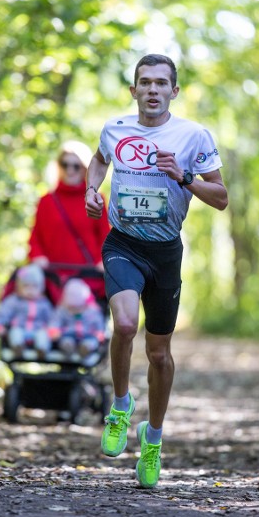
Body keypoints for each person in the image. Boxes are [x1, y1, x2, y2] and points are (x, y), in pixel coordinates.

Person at [84, 54, 228, 488]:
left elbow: (220, 197)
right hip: (123, 243)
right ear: (133, 91)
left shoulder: (193, 135)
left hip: (165, 252)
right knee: (125, 325)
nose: (152, 90)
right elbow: (98, 160)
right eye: (144, 82)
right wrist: (92, 189)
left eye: (160, 83)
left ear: (173, 91)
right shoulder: (115, 128)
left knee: (160, 354)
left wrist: (184, 178)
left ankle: (153, 440)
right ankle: (121, 407)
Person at [28, 140, 111, 297]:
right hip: (52, 279)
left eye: (76, 166)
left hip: (89, 279)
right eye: (65, 164)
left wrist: (103, 262)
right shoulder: (47, 201)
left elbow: (105, 236)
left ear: (86, 169)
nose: (70, 170)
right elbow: (35, 237)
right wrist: (38, 256)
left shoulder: (96, 199)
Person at [0, 263, 54, 360]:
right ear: (19, 287)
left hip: (38, 329)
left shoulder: (44, 303)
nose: (30, 290)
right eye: (26, 286)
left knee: (43, 335)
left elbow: (51, 318)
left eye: (34, 287)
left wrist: (53, 329)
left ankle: (42, 349)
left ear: (41, 288)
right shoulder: (13, 301)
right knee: (15, 332)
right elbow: (3, 313)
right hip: (20, 327)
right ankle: (17, 347)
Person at [49, 278, 106, 359]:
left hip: (88, 335)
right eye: (72, 308)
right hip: (68, 335)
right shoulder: (62, 311)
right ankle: (67, 348)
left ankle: (86, 348)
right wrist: (54, 330)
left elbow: (99, 325)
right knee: (65, 341)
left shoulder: (93, 311)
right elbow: (55, 321)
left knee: (92, 342)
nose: (76, 311)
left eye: (79, 308)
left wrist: (99, 333)